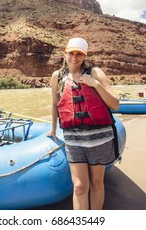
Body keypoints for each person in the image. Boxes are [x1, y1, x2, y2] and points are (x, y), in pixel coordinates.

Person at [47, 37, 120, 210]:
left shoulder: (95, 73)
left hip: (100, 137)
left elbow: (115, 104)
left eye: (79, 54)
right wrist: (53, 129)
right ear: (65, 54)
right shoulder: (57, 77)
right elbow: (55, 103)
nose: (75, 57)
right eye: (71, 53)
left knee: (96, 182)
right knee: (79, 186)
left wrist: (95, 85)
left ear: (84, 56)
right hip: (73, 139)